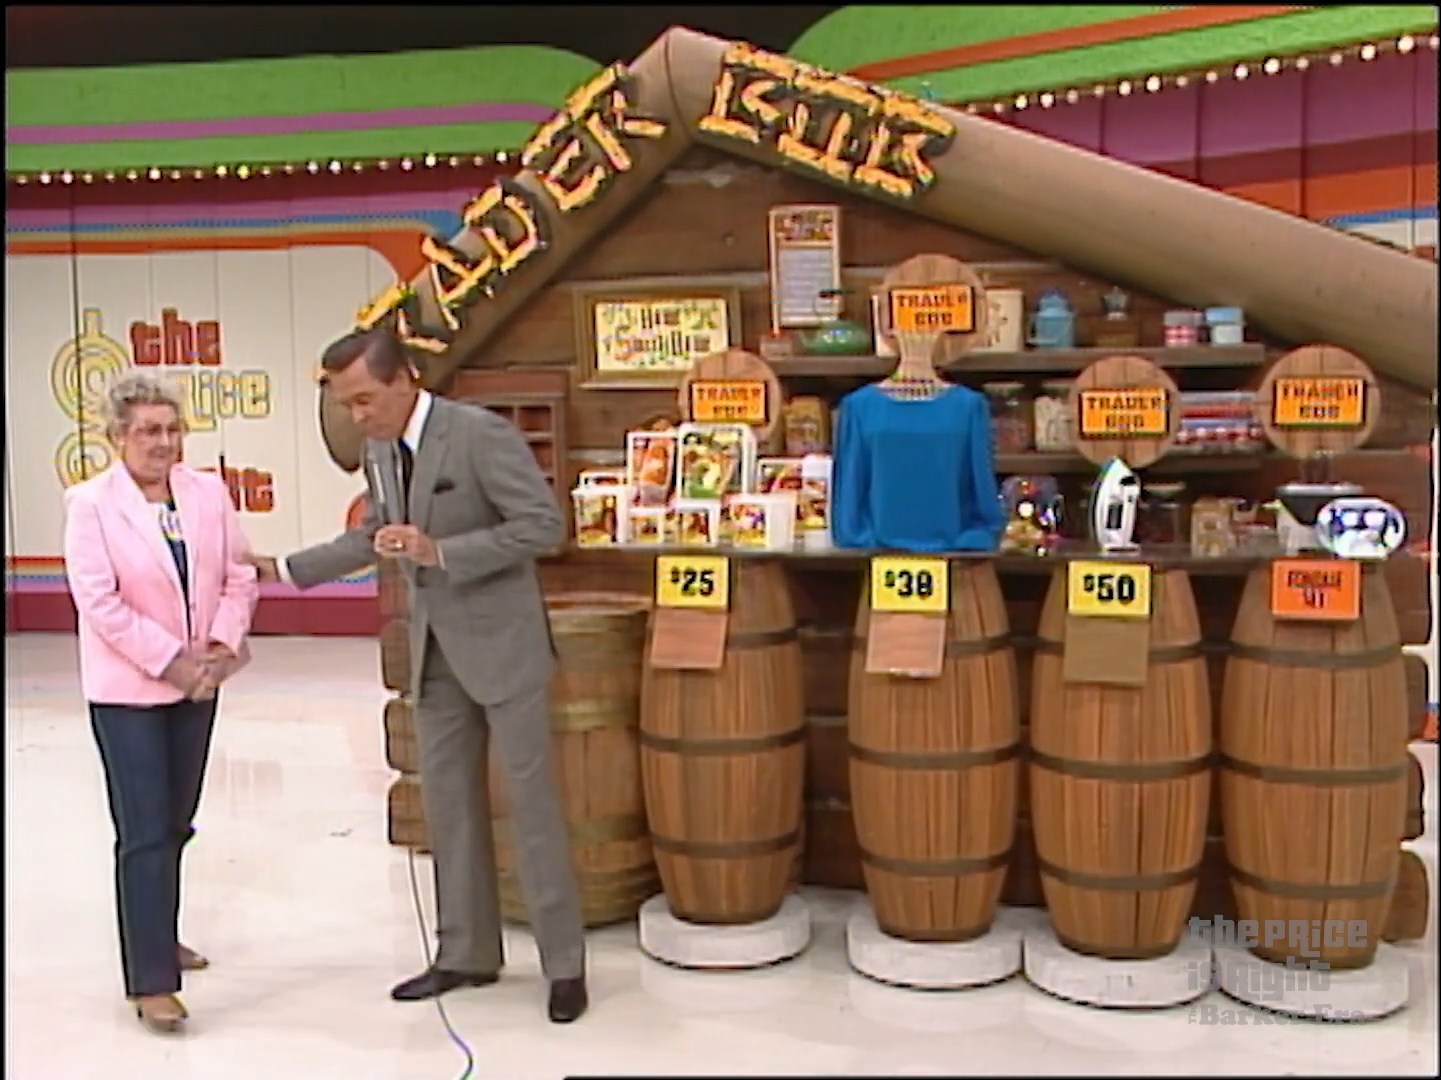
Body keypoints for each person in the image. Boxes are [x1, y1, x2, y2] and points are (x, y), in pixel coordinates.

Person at [247, 327, 587, 1023]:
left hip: (504, 650)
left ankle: (564, 966)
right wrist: (283, 570)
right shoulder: (378, 451)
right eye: (347, 405)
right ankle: (465, 952)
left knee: (531, 810)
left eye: (366, 400)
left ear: (404, 380)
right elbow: (371, 534)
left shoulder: (479, 435)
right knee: (449, 811)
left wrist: (441, 551)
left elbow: (541, 526)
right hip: (436, 656)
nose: (358, 416)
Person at [61, 372, 259, 1035]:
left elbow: (238, 572)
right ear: (117, 436)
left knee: (177, 821)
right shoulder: (89, 505)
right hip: (131, 692)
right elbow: (99, 602)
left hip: (199, 681)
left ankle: (157, 933)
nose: (164, 442)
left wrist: (223, 644)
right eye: (149, 430)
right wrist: (169, 661)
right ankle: (151, 981)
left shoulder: (207, 493)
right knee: (144, 830)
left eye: (173, 429)